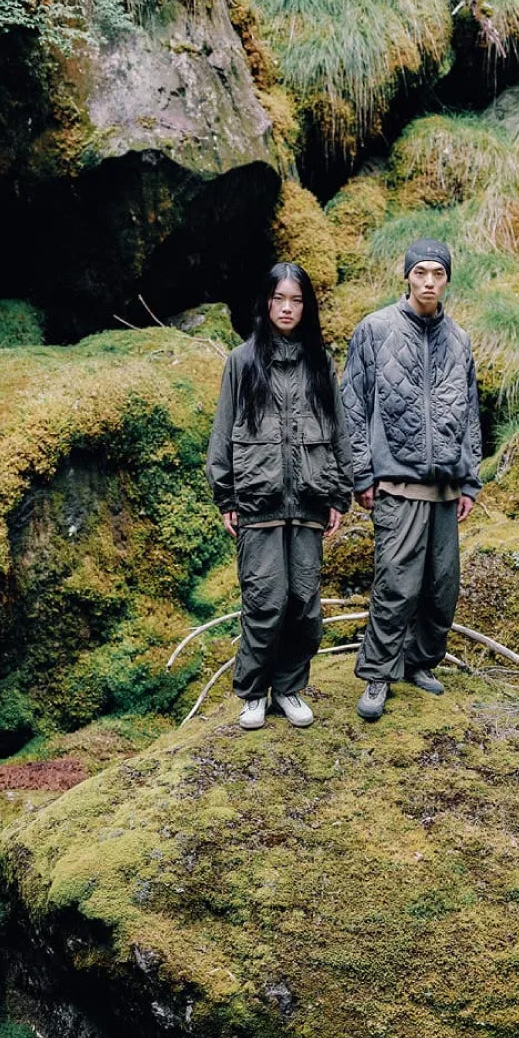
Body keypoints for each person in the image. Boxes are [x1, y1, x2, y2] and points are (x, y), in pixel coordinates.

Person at [206, 262, 353, 730]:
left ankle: (289, 688)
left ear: (306, 307)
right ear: (266, 302)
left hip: (309, 500)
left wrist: (339, 494)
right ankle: (253, 693)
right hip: (258, 502)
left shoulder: (319, 362)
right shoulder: (241, 361)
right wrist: (227, 497)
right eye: (279, 298)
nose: (287, 308)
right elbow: (222, 432)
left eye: (296, 300)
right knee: (265, 601)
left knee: (304, 604)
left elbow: (338, 430)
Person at [341, 239, 482, 721]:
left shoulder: (459, 339)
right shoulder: (375, 329)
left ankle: (420, 662)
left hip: (445, 487)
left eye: (437, 274)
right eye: (420, 272)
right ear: (406, 276)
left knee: (442, 587)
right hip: (396, 484)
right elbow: (352, 406)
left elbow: (470, 414)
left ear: (447, 280)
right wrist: (361, 474)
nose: (428, 282)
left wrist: (469, 481)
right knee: (396, 585)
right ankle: (378, 673)